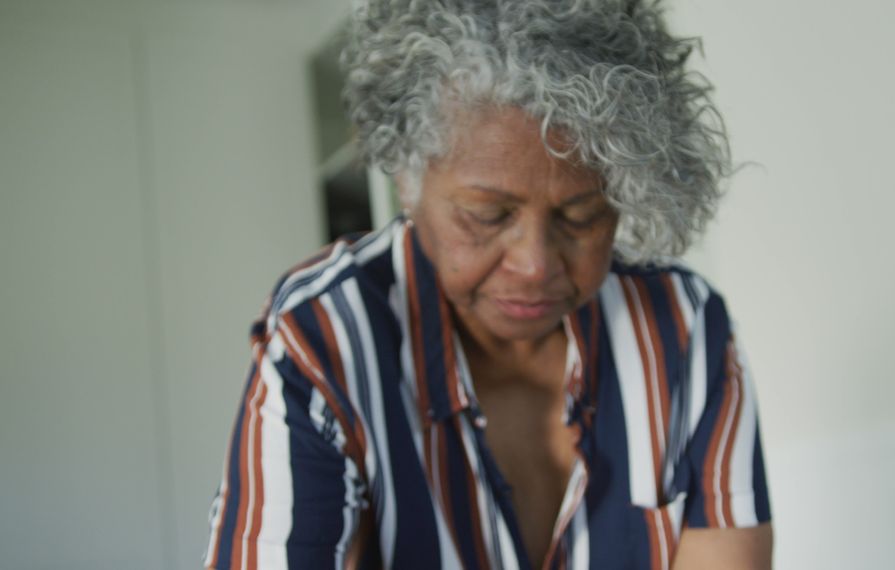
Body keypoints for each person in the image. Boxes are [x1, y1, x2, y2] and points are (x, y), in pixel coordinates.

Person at [204, 1, 772, 568]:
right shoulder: (325, 339)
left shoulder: (684, 326)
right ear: (408, 179)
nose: (535, 265)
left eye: (581, 215)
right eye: (488, 214)